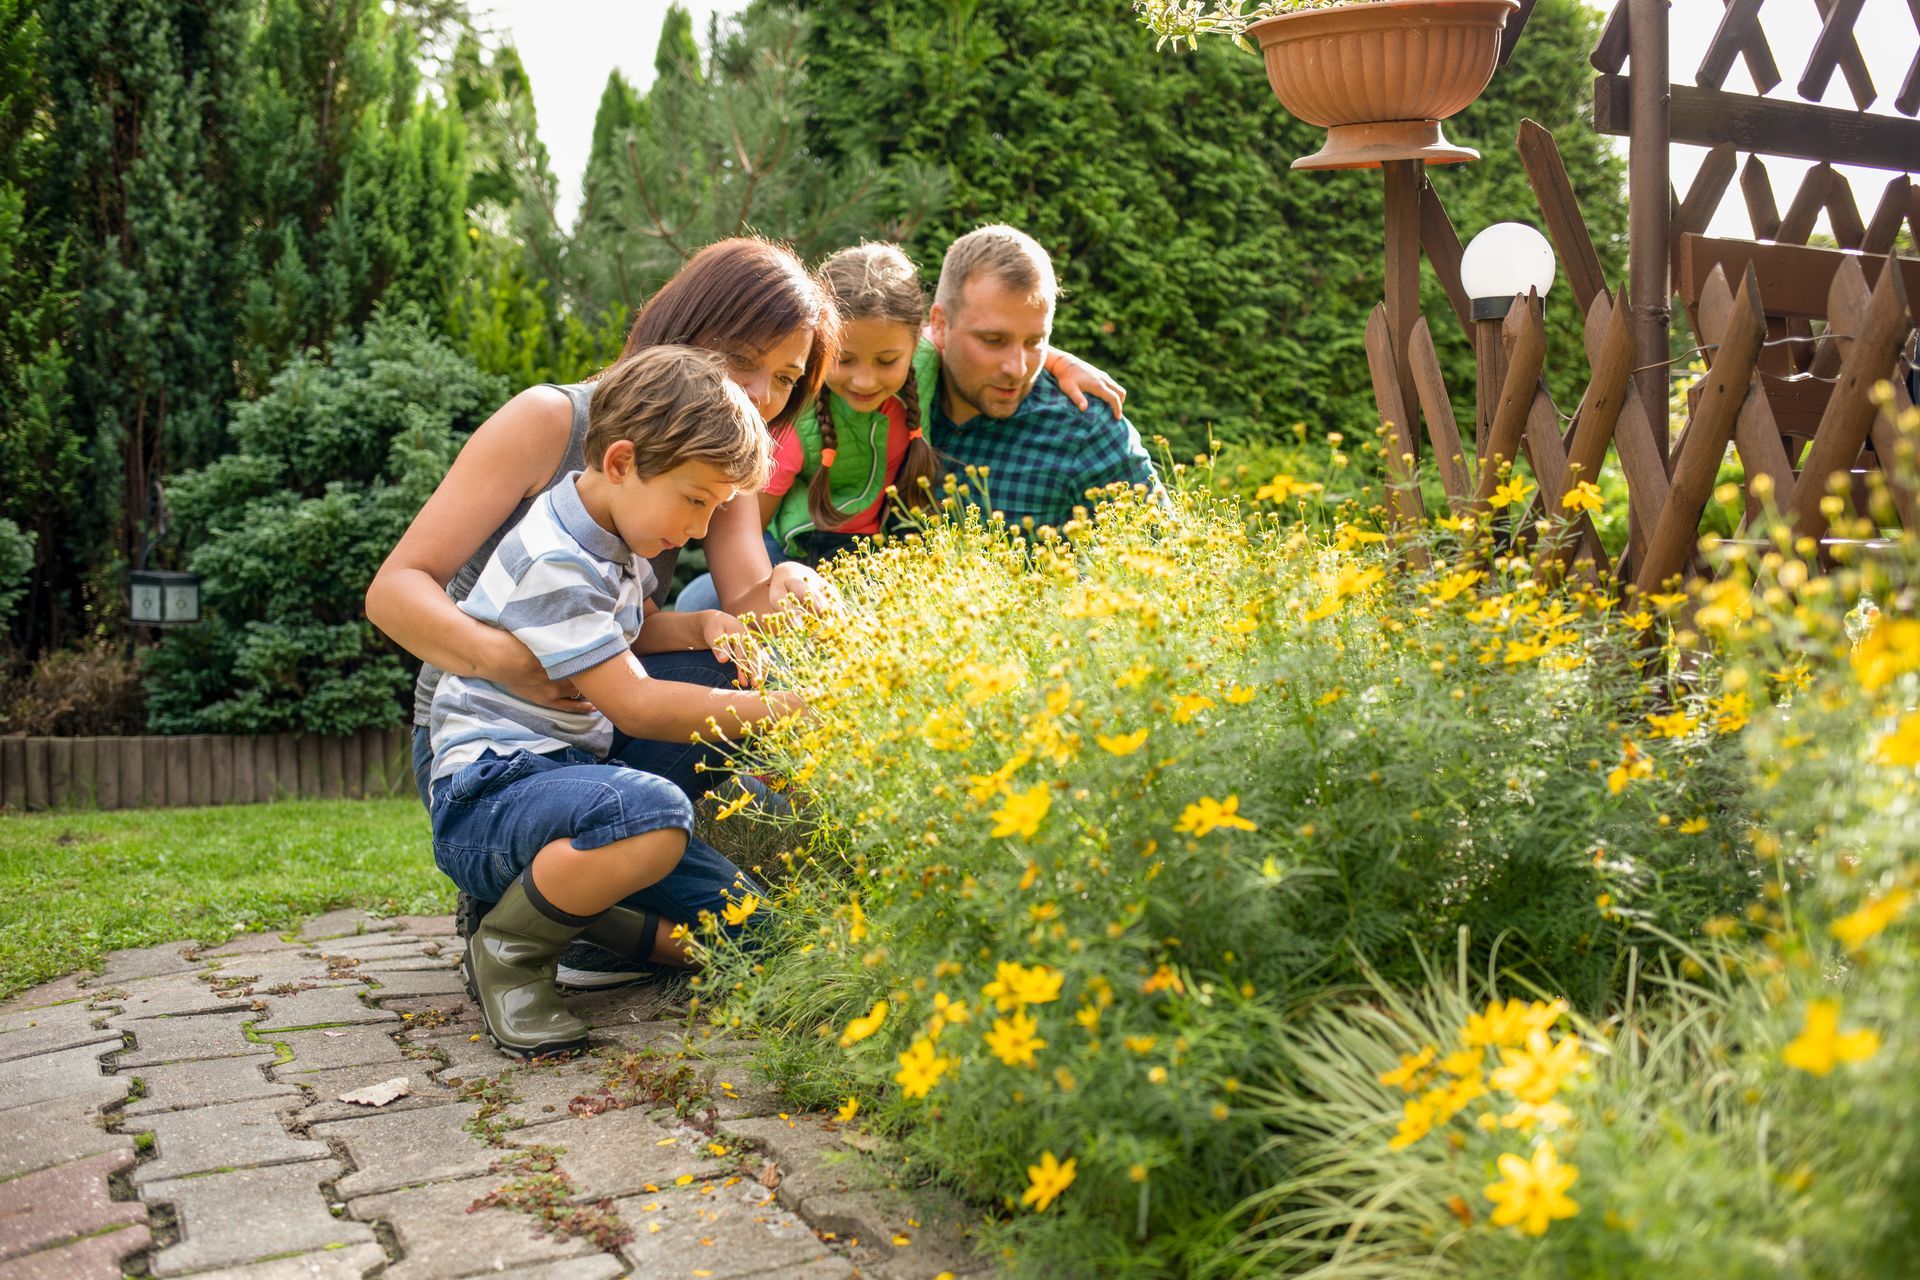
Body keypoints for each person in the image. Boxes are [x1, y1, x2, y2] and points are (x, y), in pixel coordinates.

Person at [367, 236, 835, 987]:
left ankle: (581, 912)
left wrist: (789, 587)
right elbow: (394, 589)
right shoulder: (555, 421)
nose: (761, 393)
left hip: (589, 722)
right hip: (487, 737)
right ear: (686, 324)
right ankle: (534, 891)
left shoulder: (718, 459)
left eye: (784, 377)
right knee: (680, 818)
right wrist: (507, 660)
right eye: (742, 359)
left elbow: (745, 608)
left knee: (736, 667)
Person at [428, 346, 792, 1058]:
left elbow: (626, 633)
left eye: (714, 510)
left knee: (760, 934)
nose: (694, 530)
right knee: (654, 814)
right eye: (695, 501)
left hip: (561, 780)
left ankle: (582, 915)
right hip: (493, 794)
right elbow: (637, 706)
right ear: (622, 460)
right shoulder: (557, 558)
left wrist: (699, 624)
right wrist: (793, 709)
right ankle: (508, 950)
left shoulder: (607, 534)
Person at [674, 240, 1127, 610]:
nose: (866, 379)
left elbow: (993, 339)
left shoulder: (928, 366)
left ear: (914, 346)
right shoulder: (800, 408)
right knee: (700, 600)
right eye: (844, 360)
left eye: (888, 361)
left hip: (881, 560)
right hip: (798, 551)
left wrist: (1057, 360)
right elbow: (750, 528)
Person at [928, 224, 1162, 531]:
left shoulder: (1086, 431)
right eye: (993, 340)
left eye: (1034, 342)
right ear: (940, 325)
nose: (1018, 369)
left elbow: (1160, 561)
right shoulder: (888, 396)